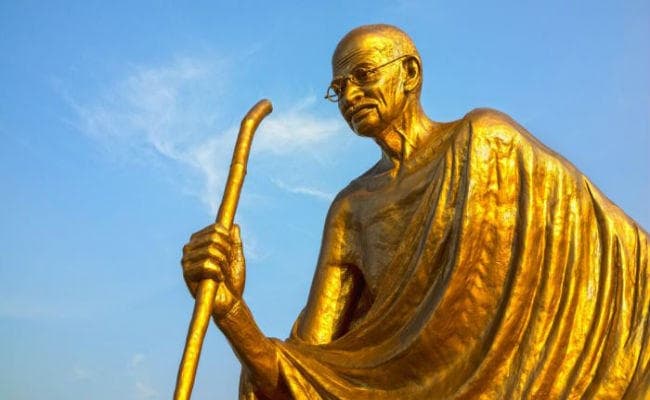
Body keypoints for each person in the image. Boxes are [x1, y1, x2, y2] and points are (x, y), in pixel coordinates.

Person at [181, 24, 649, 399]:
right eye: (338, 88)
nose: (349, 96)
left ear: (409, 73)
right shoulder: (351, 210)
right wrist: (229, 308)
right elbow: (303, 375)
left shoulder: (487, 144)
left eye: (363, 75)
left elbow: (619, 254)